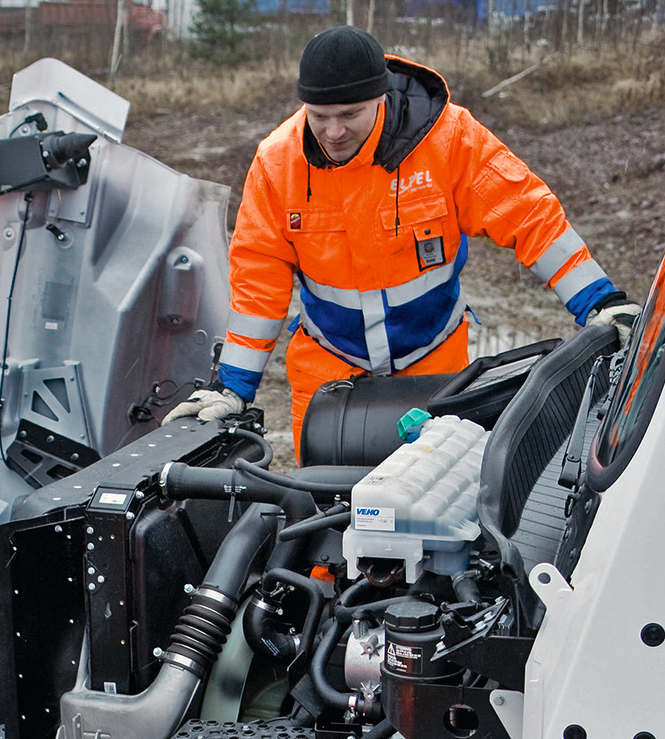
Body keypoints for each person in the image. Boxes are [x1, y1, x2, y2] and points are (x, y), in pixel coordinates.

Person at [168, 26, 638, 456]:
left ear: (382, 98)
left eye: (349, 114)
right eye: (319, 116)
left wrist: (600, 301)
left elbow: (529, 214)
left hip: (433, 361)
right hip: (328, 368)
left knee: (433, 508)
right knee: (324, 517)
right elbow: (257, 279)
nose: (333, 132)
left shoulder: (450, 140)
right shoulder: (277, 162)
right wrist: (233, 386)